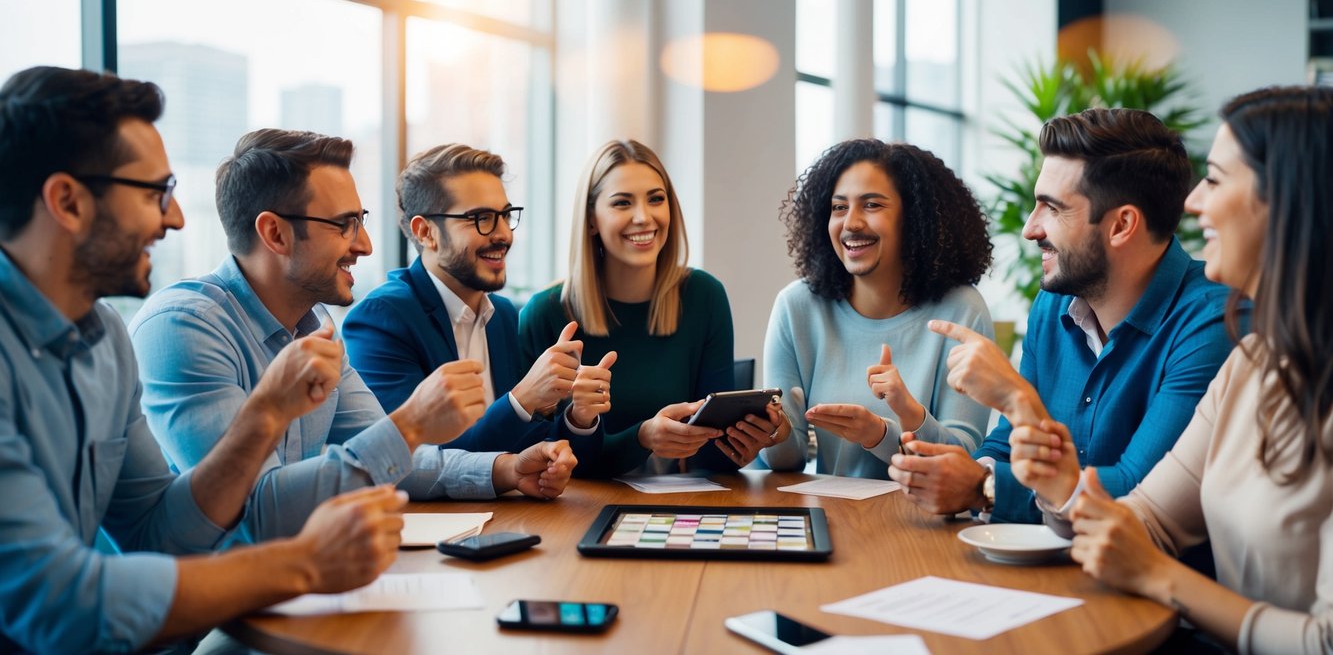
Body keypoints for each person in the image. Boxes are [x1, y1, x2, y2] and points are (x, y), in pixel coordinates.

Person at [0, 66, 404, 653]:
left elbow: (156, 536)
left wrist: (262, 418)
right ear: (67, 201)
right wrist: (304, 563)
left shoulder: (106, 337)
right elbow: (56, 601)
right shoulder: (171, 325)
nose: (176, 219)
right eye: (154, 193)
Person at [1002, 87, 1333, 653]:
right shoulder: (1253, 366)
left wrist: (1159, 577)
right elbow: (1146, 520)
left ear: (1291, 203)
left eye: (1217, 179)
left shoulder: (1221, 330)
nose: (1194, 202)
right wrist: (1058, 483)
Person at [131, 129, 574, 544]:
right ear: (275, 234)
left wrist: (505, 470)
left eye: (360, 220)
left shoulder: (314, 326)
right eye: (344, 224)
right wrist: (412, 422)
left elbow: (388, 459)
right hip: (201, 615)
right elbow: (256, 512)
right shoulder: (184, 327)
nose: (365, 245)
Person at [890, 108, 1236, 524]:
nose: (1030, 229)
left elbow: (1137, 491)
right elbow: (1007, 447)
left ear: (1122, 225)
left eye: (1052, 209)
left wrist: (984, 486)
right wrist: (953, 472)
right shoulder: (1053, 305)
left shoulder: (1213, 323)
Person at [519, 139, 768, 477]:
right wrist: (641, 437)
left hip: (679, 506)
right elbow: (532, 458)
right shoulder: (545, 314)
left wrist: (743, 442)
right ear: (591, 220)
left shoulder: (704, 296)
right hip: (575, 509)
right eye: (622, 203)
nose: (643, 217)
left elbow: (713, 460)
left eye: (656, 199)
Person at [760, 139, 994, 479]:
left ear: (913, 218)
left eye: (871, 205)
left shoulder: (961, 311)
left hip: (926, 524)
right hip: (830, 517)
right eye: (839, 207)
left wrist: (883, 434)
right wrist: (773, 431)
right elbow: (786, 459)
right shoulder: (797, 307)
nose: (851, 223)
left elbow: (964, 461)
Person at [344, 144, 595, 459]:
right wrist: (523, 398)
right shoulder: (381, 318)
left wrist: (578, 418)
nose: (503, 234)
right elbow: (411, 459)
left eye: (505, 215)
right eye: (482, 218)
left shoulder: (502, 315)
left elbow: (526, 444)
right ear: (426, 232)